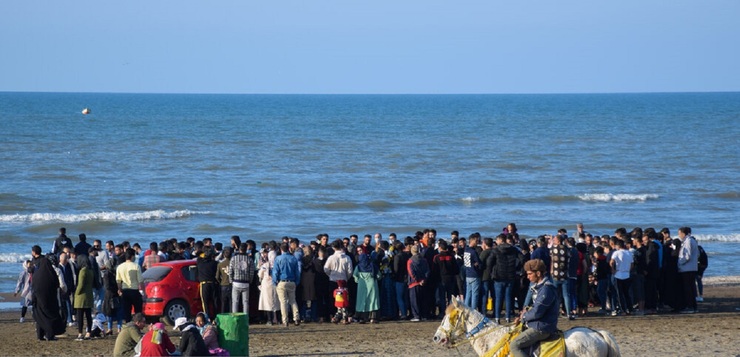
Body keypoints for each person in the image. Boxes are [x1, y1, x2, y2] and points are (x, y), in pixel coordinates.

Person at [511, 259, 558, 357]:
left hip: (542, 327)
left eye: (529, 274)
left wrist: (523, 317)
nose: (527, 277)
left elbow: (537, 312)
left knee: (514, 345)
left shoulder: (546, 289)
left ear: (538, 273)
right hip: (538, 324)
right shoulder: (540, 287)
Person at [31, 246, 66, 341]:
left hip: (38, 296)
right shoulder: (50, 273)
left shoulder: (37, 274)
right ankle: (49, 335)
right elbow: (56, 283)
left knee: (39, 315)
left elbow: (33, 284)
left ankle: (40, 336)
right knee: (49, 315)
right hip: (49, 298)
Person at [491, 233, 522, 324]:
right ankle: (508, 317)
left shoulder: (496, 250)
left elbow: (489, 262)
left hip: (499, 276)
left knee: (498, 298)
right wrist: (516, 268)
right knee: (508, 297)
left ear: (500, 240)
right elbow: (522, 258)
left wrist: (493, 271)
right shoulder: (513, 249)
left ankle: (497, 317)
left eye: (497, 240)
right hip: (510, 276)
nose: (496, 242)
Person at [272, 243, 301, 327]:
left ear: (281, 249)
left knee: (283, 302)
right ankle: (296, 318)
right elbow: (297, 272)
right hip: (292, 281)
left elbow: (275, 272)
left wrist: (275, 282)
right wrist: (297, 281)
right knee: (293, 300)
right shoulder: (293, 258)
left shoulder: (278, 258)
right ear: (288, 248)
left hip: (282, 281)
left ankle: (285, 320)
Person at [353, 251, 381, 324]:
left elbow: (355, 276)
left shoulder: (358, 267)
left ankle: (363, 318)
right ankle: (373, 318)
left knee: (362, 300)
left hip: (361, 285)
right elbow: (379, 276)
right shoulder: (373, 266)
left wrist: (357, 280)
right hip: (372, 284)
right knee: (372, 300)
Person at [116, 249, 143, 322]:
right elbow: (140, 281)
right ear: (132, 256)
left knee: (127, 312)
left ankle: (128, 326)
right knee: (138, 312)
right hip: (135, 291)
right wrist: (143, 292)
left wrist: (120, 290)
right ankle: (138, 326)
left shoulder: (120, 267)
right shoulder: (136, 266)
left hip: (125, 291)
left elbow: (118, 281)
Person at [677, 227, 699, 313]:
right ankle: (693, 306)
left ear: (683, 233)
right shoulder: (691, 240)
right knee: (691, 288)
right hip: (691, 268)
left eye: (679, 233)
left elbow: (687, 255)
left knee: (688, 289)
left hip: (687, 269)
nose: (679, 235)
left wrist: (679, 263)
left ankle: (690, 306)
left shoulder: (688, 241)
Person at [229, 243, 255, 314]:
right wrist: (250, 281)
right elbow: (252, 272)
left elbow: (230, 271)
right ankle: (246, 318)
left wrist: (231, 280)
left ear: (239, 249)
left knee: (235, 302)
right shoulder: (249, 259)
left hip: (236, 282)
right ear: (246, 249)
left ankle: (235, 317)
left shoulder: (234, 258)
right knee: (245, 302)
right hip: (246, 283)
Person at [74, 254, 95, 340]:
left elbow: (81, 284)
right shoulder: (90, 270)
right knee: (88, 315)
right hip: (89, 295)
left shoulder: (83, 271)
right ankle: (88, 332)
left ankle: (80, 333)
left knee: (80, 316)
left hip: (81, 296)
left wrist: (76, 293)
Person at [407, 244, 429, 322]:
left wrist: (417, 281)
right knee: (423, 300)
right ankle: (424, 315)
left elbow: (411, 273)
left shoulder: (410, 261)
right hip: (423, 282)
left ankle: (416, 316)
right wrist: (424, 279)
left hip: (414, 283)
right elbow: (427, 271)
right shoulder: (424, 260)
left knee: (414, 300)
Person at [257, 248, 279, 325]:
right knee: (276, 302)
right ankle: (277, 319)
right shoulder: (278, 264)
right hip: (276, 284)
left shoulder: (265, 265)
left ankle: (269, 320)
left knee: (267, 302)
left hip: (266, 285)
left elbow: (260, 274)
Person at [197, 248, 219, 318]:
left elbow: (199, 255)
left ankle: (207, 318)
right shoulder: (215, 263)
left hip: (204, 284)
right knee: (215, 302)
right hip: (214, 284)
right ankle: (216, 317)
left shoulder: (199, 262)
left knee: (205, 303)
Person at [216, 247, 233, 314]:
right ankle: (232, 315)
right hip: (231, 284)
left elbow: (217, 277)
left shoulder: (220, 264)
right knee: (231, 302)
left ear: (223, 255)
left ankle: (223, 315)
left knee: (223, 303)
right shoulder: (233, 263)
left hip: (223, 285)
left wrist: (221, 282)